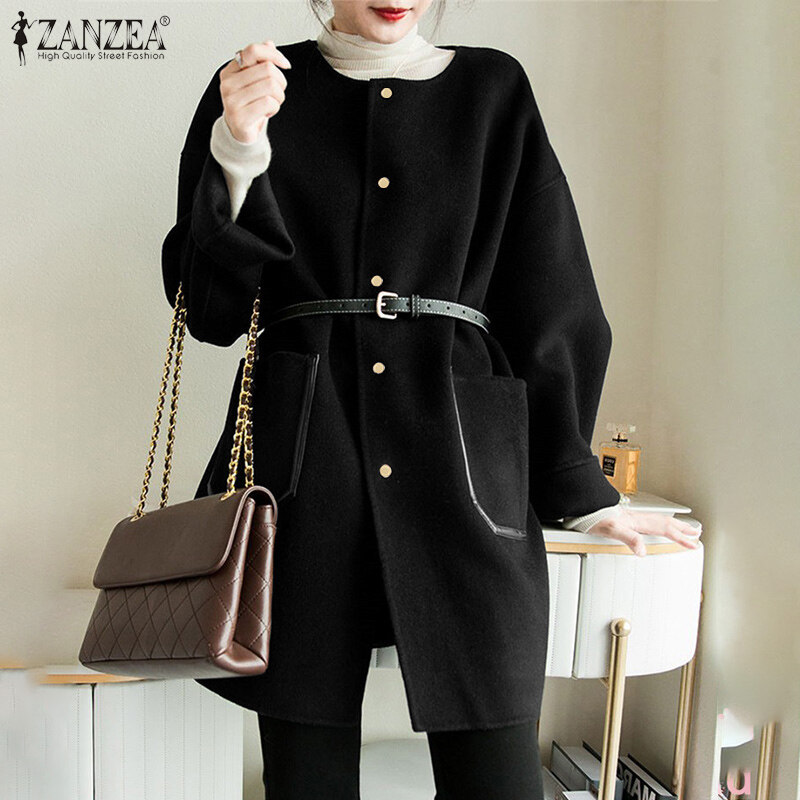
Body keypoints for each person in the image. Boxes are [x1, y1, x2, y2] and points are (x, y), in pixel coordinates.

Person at [161, 1, 702, 796]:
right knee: (307, 779)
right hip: (306, 471)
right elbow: (209, 314)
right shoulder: (256, 87)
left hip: (464, 467)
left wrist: (579, 487)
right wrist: (238, 152)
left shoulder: (493, 90)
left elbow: (551, 298)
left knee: (498, 773)